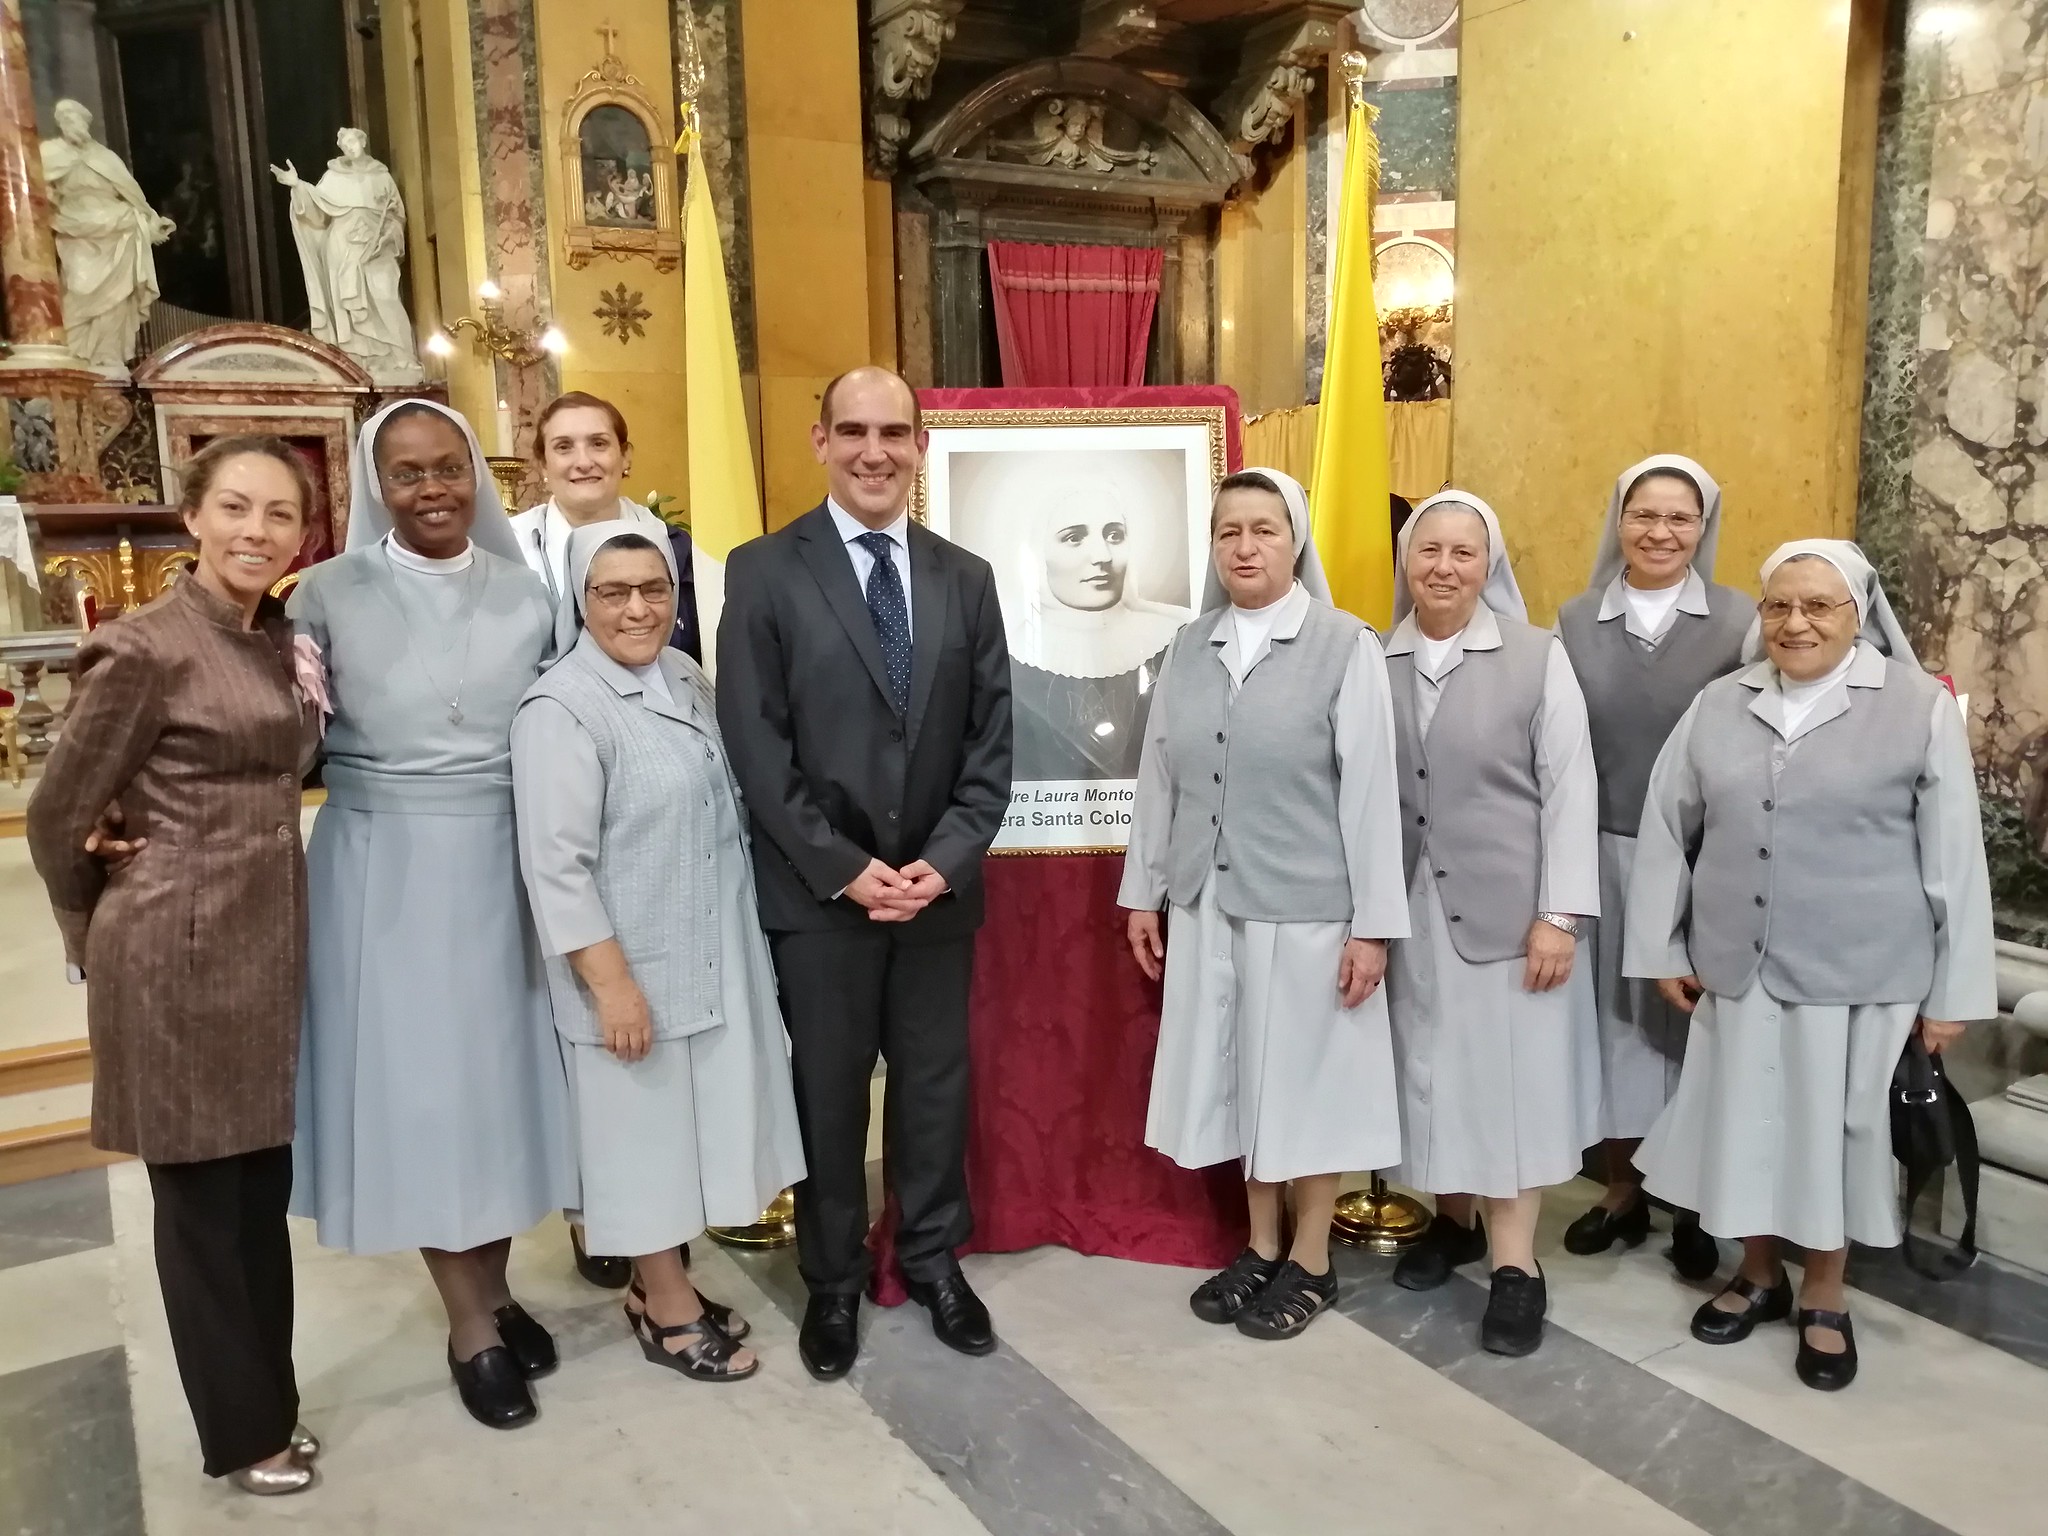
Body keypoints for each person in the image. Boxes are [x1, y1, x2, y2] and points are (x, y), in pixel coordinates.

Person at [1626, 540, 1995, 1391]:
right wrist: (1662, 945)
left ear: (1857, 615)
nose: (1796, 623)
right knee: (1746, 1127)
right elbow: (1665, 825)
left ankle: (1826, 1293)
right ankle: (1759, 1272)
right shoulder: (1722, 702)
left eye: (1818, 607)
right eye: (1779, 606)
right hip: (1738, 965)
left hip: (1860, 973)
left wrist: (1952, 993)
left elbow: (1955, 860)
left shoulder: (1914, 707)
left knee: (1835, 1137)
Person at [28, 437, 322, 1493]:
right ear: (192, 516)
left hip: (261, 947)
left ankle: (271, 1406)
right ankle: (242, 1437)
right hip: (175, 952)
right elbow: (61, 809)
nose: (256, 531)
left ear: (303, 533)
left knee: (255, 1197)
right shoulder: (147, 646)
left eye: (279, 515)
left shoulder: (270, 638)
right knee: (202, 1213)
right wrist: (92, 928)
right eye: (235, 508)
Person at [716, 365, 1013, 1380]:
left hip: (936, 894)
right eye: (852, 430)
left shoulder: (963, 578)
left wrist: (939, 861)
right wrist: (845, 870)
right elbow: (754, 747)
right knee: (830, 1096)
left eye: (893, 431)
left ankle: (930, 1259)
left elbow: (991, 746)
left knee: (933, 1089)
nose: (873, 450)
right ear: (819, 441)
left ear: (919, 444)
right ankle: (832, 1280)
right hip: (821, 900)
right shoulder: (762, 572)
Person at [288, 398, 578, 1430]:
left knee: (494, 1091)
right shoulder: (322, 593)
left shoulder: (526, 593)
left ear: (478, 472)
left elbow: (564, 727)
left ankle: (494, 1289)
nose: (430, 490)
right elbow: (286, 741)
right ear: (376, 484)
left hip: (503, 861)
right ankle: (470, 1324)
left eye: (446, 467)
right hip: (384, 868)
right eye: (405, 473)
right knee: (423, 1096)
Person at [1119, 468, 1407, 1338]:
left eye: (1264, 530)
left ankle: (1313, 1260)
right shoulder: (1190, 647)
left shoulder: (1344, 645)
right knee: (1244, 1076)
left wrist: (1374, 929)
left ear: (1296, 541)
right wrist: (1145, 893)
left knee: (1305, 1087)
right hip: (1210, 903)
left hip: (1309, 910)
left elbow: (1371, 797)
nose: (1245, 547)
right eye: (1229, 531)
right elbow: (1159, 777)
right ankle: (1260, 1242)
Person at [512, 523, 804, 1381]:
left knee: (689, 1136)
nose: (638, 608)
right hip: (626, 966)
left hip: (706, 949)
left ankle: (657, 1286)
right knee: (637, 1144)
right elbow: (554, 869)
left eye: (655, 588)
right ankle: (666, 1306)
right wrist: (613, 988)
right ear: (579, 600)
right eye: (613, 592)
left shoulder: (684, 676)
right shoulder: (560, 709)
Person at [1380, 491, 1601, 1357]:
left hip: (1512, 912)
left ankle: (1517, 1268)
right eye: (1428, 550)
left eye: (1463, 553)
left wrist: (1560, 916)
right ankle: (1452, 1219)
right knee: (1430, 1071)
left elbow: (1571, 790)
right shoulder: (1375, 656)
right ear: (1406, 560)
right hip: (1408, 910)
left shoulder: (1538, 657)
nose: (1443, 567)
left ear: (1488, 564)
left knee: (1508, 1086)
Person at [1554, 456, 1751, 1278]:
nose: (1661, 532)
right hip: (1595, 849)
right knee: (1616, 1030)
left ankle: (1697, 1198)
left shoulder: (1742, 619)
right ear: (1618, 519)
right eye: (1645, 514)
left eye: (1681, 518)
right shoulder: (1573, 620)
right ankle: (1624, 1188)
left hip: (1702, 861)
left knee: (1692, 1033)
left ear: (1703, 528)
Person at [982, 453, 1191, 780]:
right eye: (1074, 538)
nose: (1102, 556)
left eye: (1114, 535)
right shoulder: (1001, 650)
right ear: (1038, 551)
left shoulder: (1179, 636)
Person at [509, 391, 699, 669]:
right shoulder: (509, 552)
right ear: (542, 464)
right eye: (564, 447)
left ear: (625, 457)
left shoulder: (675, 549)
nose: (584, 462)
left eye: (598, 443)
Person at [268, 128, 421, 385]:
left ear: (362, 142)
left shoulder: (382, 177)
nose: (350, 147)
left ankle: (401, 355)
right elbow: (316, 214)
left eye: (353, 141)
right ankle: (358, 361)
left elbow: (397, 217)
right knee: (346, 303)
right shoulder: (333, 177)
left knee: (384, 296)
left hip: (376, 248)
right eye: (344, 144)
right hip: (341, 246)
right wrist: (297, 186)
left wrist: (386, 236)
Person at [41, 97, 176, 370]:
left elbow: (131, 195)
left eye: (75, 118)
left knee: (117, 299)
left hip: (119, 231)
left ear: (85, 123)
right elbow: (32, 191)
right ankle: (76, 357)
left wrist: (150, 222)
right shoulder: (49, 153)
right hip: (75, 231)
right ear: (60, 124)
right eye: (65, 119)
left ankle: (107, 356)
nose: (71, 124)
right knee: (78, 291)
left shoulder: (104, 157)